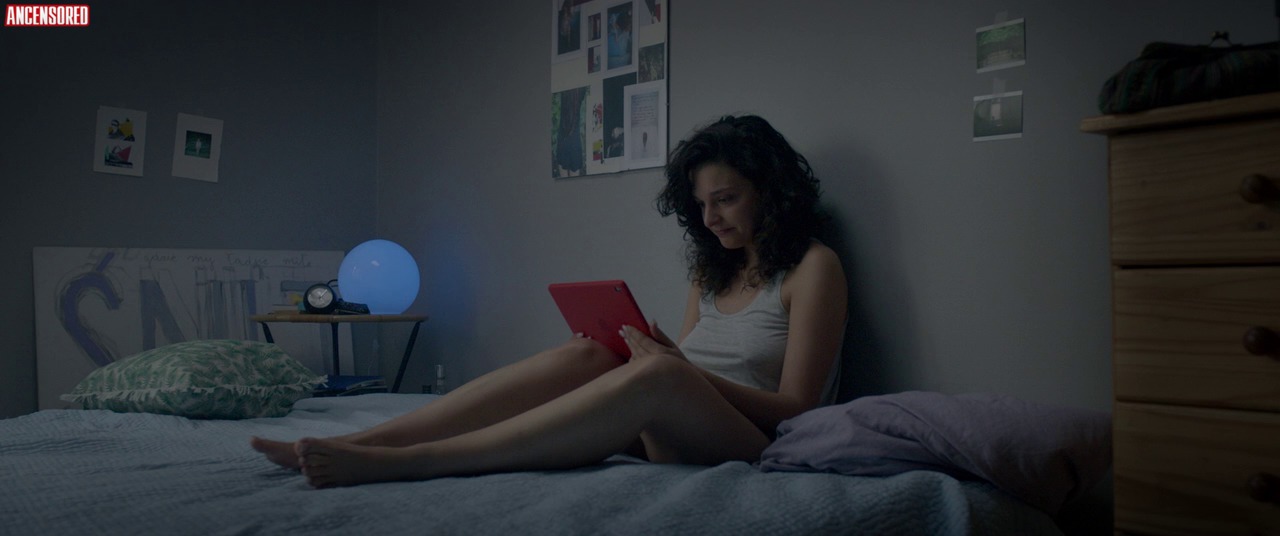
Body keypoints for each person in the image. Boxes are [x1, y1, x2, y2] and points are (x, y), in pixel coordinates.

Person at [251, 114, 848, 488]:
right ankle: (363, 442)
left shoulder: (813, 267)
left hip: (747, 440)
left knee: (663, 376)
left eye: (726, 199)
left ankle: (416, 461)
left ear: (770, 190)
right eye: (701, 204)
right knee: (586, 354)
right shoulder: (712, 269)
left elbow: (796, 408)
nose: (710, 218)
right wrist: (657, 359)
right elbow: (683, 367)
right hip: (673, 417)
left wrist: (680, 371)